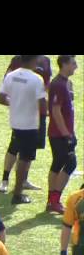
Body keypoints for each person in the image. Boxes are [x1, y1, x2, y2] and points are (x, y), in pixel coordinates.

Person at [0, 55, 47, 204]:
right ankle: (17, 194)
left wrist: (15, 103)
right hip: (30, 125)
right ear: (33, 60)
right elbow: (42, 104)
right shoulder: (36, 79)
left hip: (15, 122)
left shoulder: (11, 75)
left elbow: (1, 98)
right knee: (25, 160)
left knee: (17, 153)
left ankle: (13, 186)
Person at [5, 54, 52, 164]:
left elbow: (46, 85)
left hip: (38, 112)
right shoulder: (18, 59)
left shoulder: (46, 60)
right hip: (23, 111)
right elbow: (7, 82)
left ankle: (23, 179)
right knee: (15, 145)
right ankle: (5, 178)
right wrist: (16, 102)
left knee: (31, 147)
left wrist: (46, 106)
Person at [47, 55, 78, 214]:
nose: (76, 66)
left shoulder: (65, 83)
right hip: (60, 134)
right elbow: (55, 111)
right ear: (64, 64)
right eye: (73, 63)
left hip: (60, 133)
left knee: (58, 164)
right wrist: (67, 134)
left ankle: (51, 200)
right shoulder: (59, 84)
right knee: (70, 163)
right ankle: (54, 200)